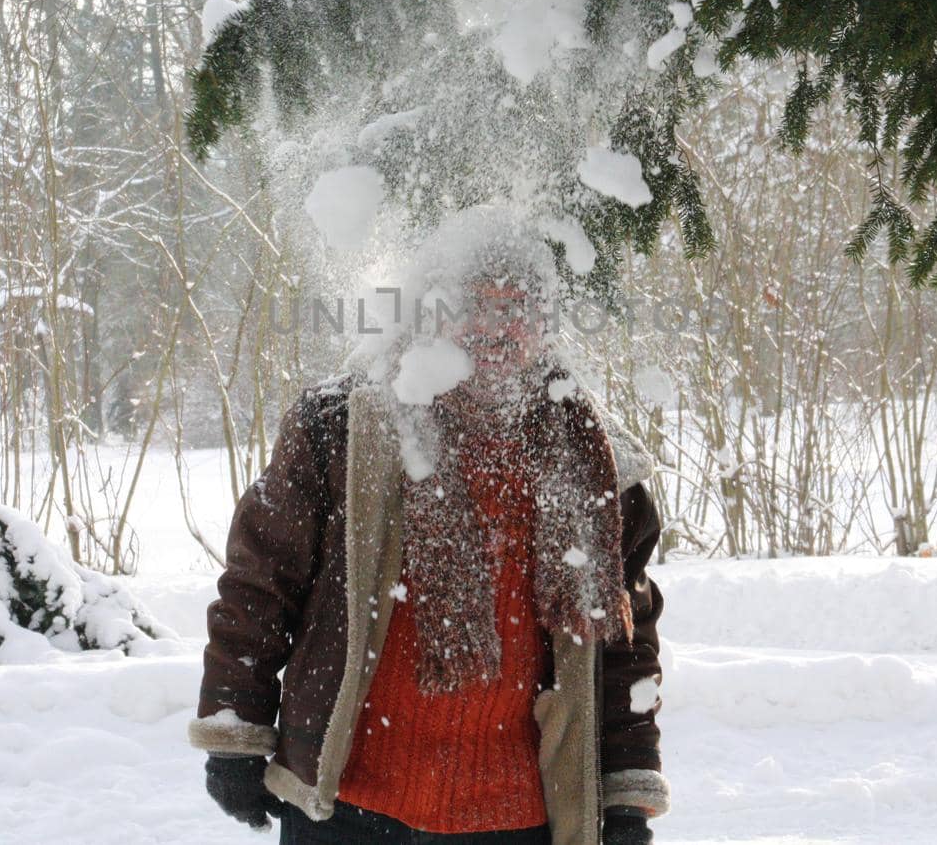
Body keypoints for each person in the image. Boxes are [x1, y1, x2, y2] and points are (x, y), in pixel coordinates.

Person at [188, 246, 668, 845]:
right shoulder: (342, 424)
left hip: (514, 816)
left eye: (520, 307)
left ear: (548, 325)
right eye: (475, 304)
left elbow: (624, 646)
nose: (498, 326)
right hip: (345, 804)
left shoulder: (597, 465)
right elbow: (260, 585)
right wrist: (237, 730)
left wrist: (626, 791)